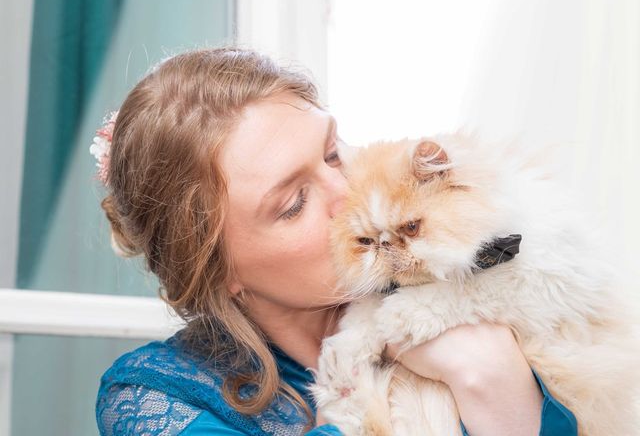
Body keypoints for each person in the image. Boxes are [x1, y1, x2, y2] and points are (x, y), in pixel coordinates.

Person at [94, 48, 578, 436]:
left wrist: (494, 379)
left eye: (331, 153)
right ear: (219, 268)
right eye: (293, 204)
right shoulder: (155, 396)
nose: (348, 193)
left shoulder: (480, 279)